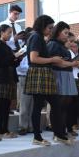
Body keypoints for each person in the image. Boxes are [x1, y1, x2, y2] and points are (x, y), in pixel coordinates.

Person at [24, 15, 65, 146]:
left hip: (43, 73)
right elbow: (34, 58)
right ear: (42, 26)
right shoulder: (36, 36)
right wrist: (53, 59)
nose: (51, 30)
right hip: (39, 73)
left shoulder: (38, 37)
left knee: (54, 104)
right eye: (49, 27)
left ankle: (58, 134)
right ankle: (38, 136)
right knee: (39, 106)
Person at [47, 21, 79, 140]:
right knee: (58, 106)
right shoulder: (52, 44)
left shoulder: (62, 45)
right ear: (58, 32)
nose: (67, 35)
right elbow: (54, 61)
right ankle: (57, 133)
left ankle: (63, 131)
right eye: (65, 33)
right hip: (58, 75)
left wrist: (73, 63)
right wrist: (72, 63)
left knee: (65, 105)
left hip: (66, 74)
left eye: (67, 33)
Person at [0, 24, 20, 139]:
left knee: (7, 105)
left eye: (11, 33)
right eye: (8, 32)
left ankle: (5, 129)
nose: (10, 35)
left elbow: (12, 63)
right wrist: (13, 57)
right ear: (2, 32)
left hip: (10, 77)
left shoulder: (7, 46)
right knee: (2, 105)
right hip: (2, 78)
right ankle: (0, 130)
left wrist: (18, 58)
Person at [17, 27, 34, 136]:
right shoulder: (23, 49)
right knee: (24, 102)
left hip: (33, 76)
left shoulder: (34, 50)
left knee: (32, 103)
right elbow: (19, 66)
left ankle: (31, 126)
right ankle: (23, 126)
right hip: (24, 76)